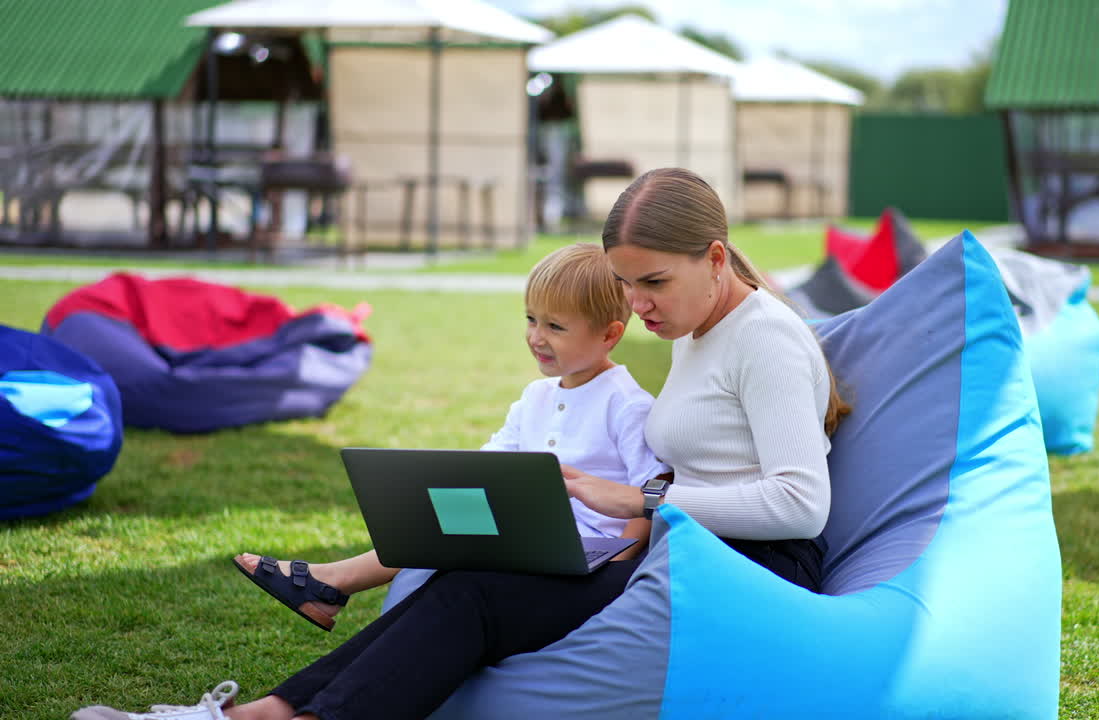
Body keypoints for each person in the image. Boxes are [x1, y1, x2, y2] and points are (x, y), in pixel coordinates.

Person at [72, 168, 850, 720]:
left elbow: (800, 505)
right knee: (470, 571)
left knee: (477, 592)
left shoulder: (765, 342)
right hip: (674, 542)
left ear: (715, 258)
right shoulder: (696, 323)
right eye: (627, 283)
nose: (637, 303)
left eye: (652, 283)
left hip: (747, 569)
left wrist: (645, 502)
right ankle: (267, 713)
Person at [231, 242, 668, 632]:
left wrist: (618, 563)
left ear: (610, 334)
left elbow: (648, 495)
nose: (536, 337)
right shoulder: (536, 396)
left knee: (455, 531)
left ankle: (333, 583)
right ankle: (332, 587)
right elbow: (491, 464)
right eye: (532, 319)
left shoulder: (627, 404)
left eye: (556, 327)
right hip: (534, 533)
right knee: (446, 517)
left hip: (587, 552)